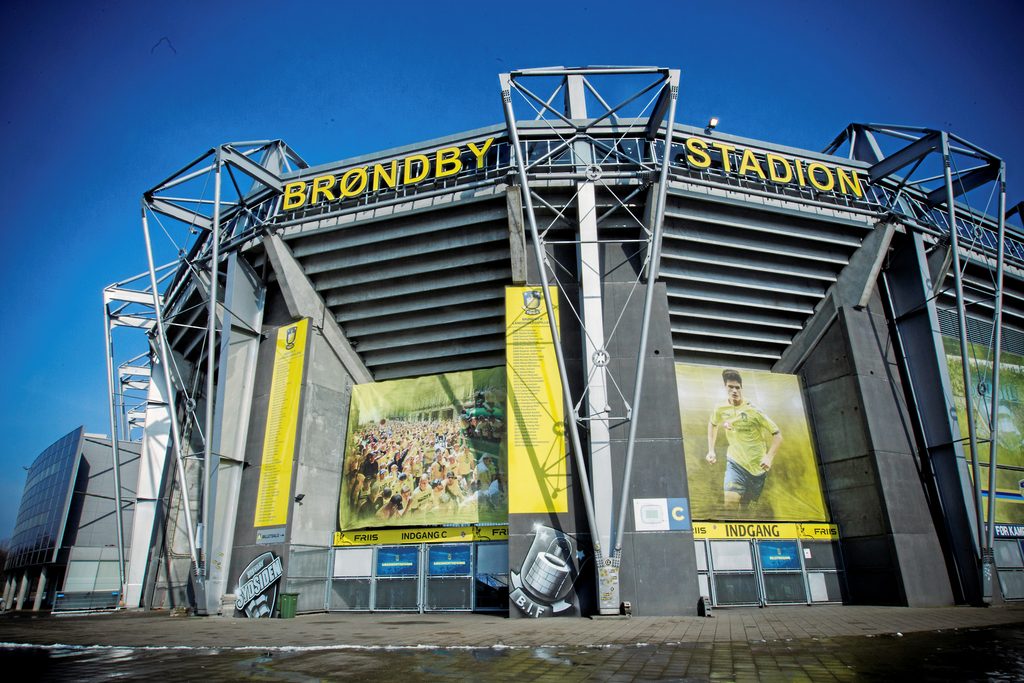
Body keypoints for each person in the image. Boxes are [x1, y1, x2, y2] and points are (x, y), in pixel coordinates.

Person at [705, 369, 782, 509]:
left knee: (745, 507)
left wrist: (769, 457)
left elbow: (777, 435)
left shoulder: (754, 410)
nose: (734, 390)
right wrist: (711, 450)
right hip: (735, 462)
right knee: (730, 504)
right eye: (730, 387)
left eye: (737, 387)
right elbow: (713, 424)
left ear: (741, 388)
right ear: (725, 387)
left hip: (757, 467)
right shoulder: (720, 408)